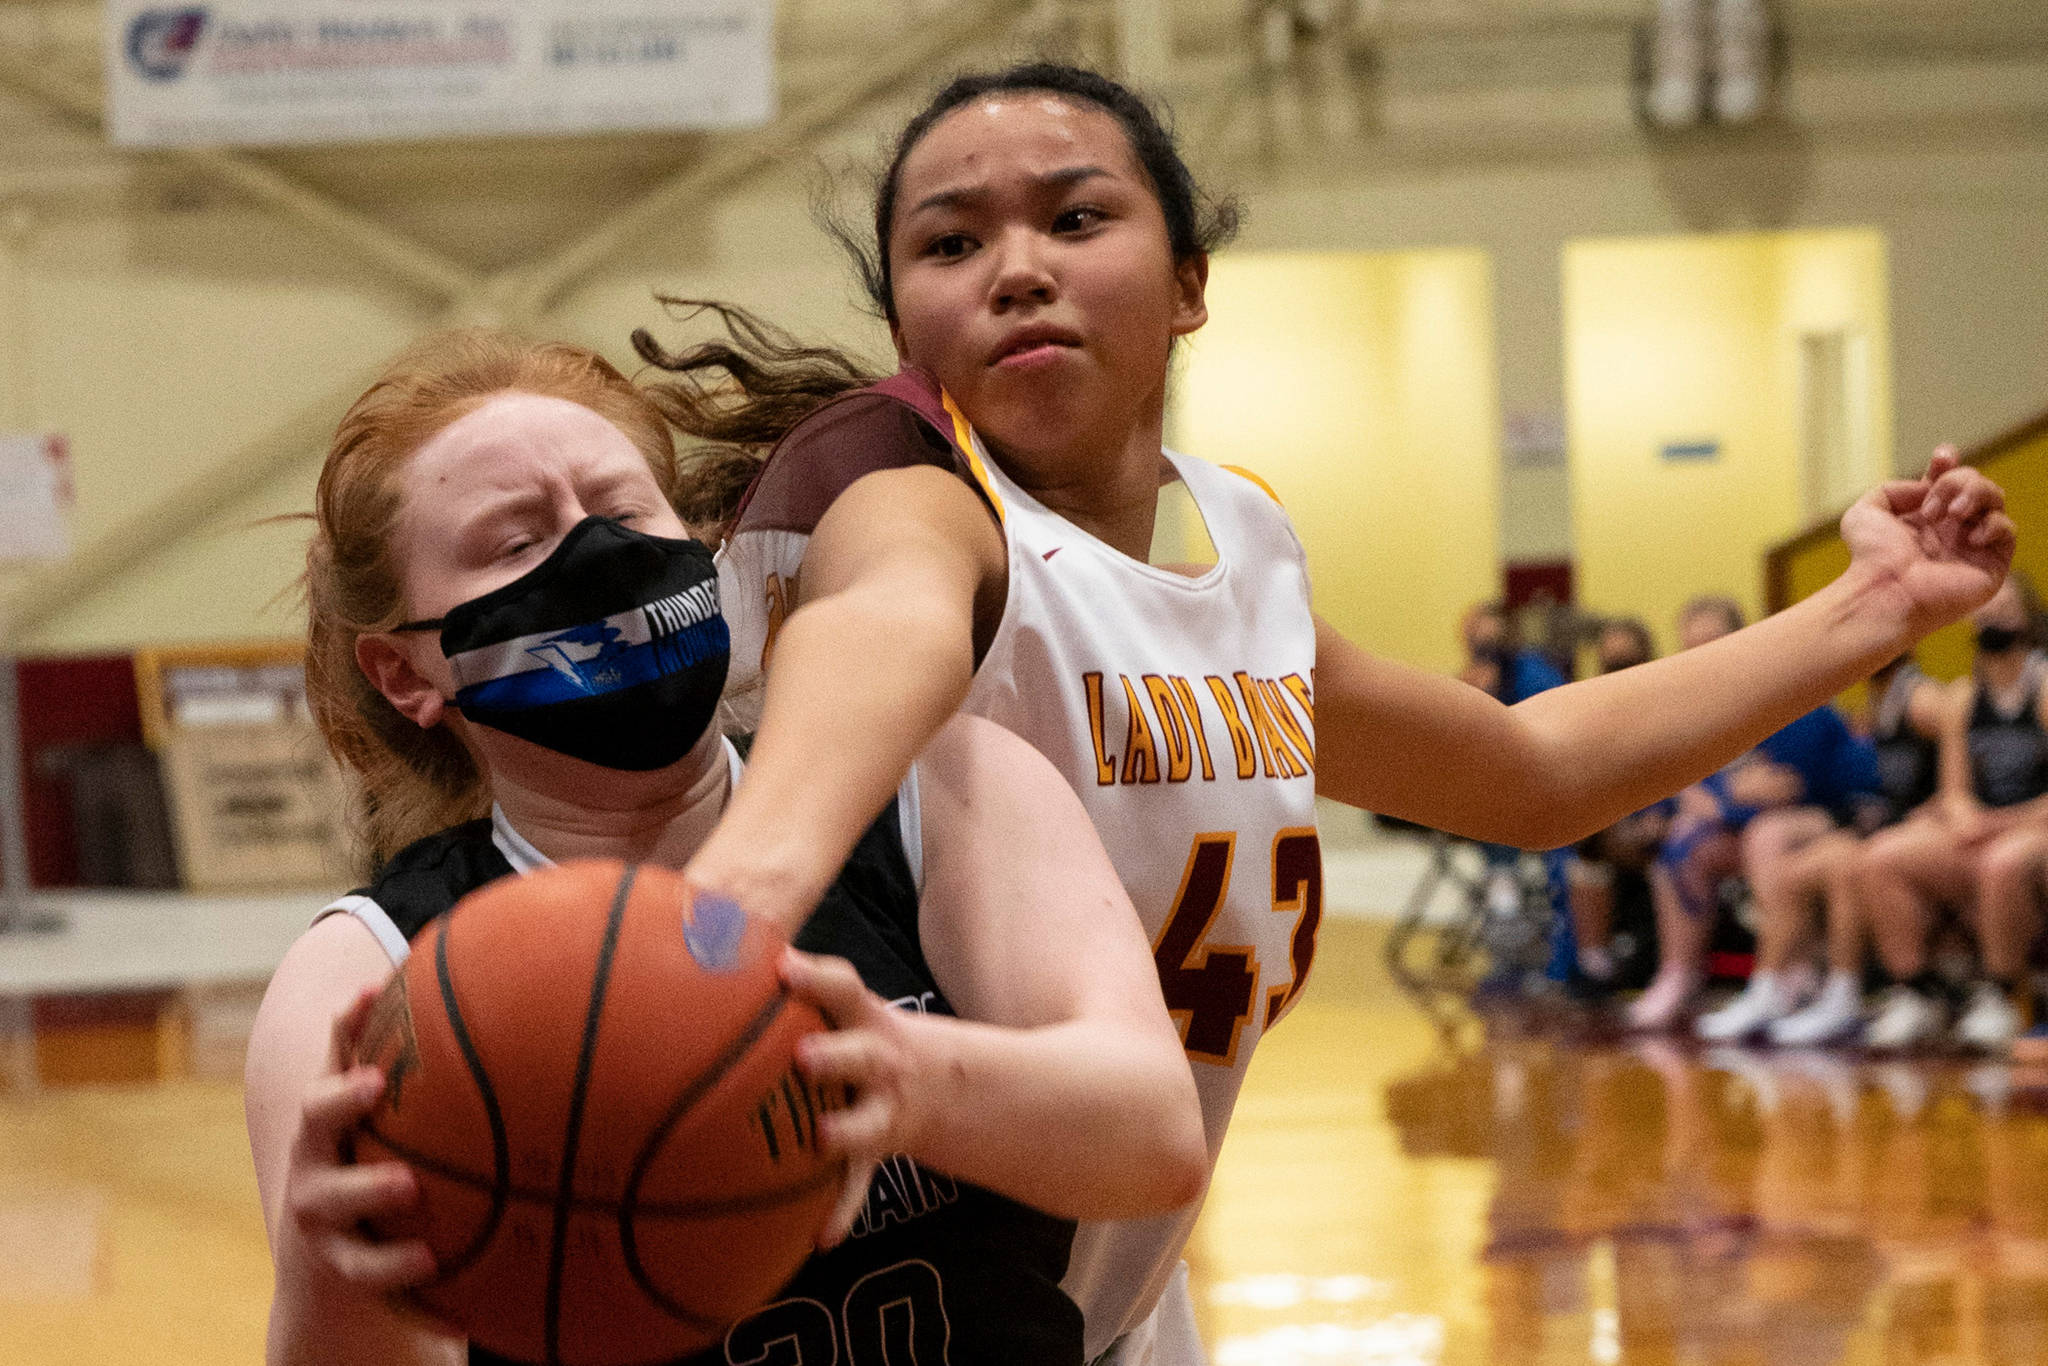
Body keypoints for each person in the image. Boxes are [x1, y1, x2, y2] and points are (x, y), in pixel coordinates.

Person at [635, 61, 2011, 1362]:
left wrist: (1873, 609)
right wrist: (720, 924)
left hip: (1116, 1295)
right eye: (950, 245)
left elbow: (1532, 773)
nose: (1018, 268)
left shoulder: (1240, 554)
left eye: (1076, 216)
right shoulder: (903, 495)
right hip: (884, 1296)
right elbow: (885, 626)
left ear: (1189, 283)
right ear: (905, 331)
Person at [242, 331, 1208, 1366]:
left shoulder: (941, 786)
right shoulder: (372, 972)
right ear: (403, 673)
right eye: (516, 543)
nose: (595, 554)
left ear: (696, 544)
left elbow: (1151, 1136)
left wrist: (911, 1082)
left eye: (619, 512)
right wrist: (327, 1265)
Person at [1627, 597, 1882, 1031]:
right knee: (1683, 845)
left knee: (1767, 835)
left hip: (1837, 814)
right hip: (1751, 822)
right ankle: (1679, 972)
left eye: (1713, 642)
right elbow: (1682, 784)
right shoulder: (1689, 708)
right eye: (1692, 647)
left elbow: (1787, 787)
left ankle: (1778, 976)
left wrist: (1722, 796)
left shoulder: (1783, 692)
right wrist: (1715, 798)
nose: (1702, 657)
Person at [1693, 651, 1944, 1043]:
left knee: (1842, 865)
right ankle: (1772, 986)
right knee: (1793, 873)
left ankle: (1844, 993)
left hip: (1910, 827)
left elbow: (1958, 759)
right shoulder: (1881, 703)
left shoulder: (1921, 698)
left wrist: (1945, 804)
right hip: (1876, 821)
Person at [1856, 575, 2048, 1051]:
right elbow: (1955, 791)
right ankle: (1919, 994)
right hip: (1986, 828)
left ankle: (2004, 994)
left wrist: (1996, 824)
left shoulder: (2043, 688)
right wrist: (1962, 817)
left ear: (2028, 619)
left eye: (2003, 611)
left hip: (2033, 827)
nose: (1992, 620)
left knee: (2002, 861)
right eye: (1984, 611)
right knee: (1884, 853)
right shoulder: (1964, 697)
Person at [1566, 616, 1669, 994]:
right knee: (1588, 846)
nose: (1619, 674)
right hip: (1622, 821)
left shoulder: (1670, 706)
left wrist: (1663, 812)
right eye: (1611, 665)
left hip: (1680, 819)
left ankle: (1675, 970)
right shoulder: (1590, 708)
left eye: (1628, 664)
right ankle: (1594, 963)